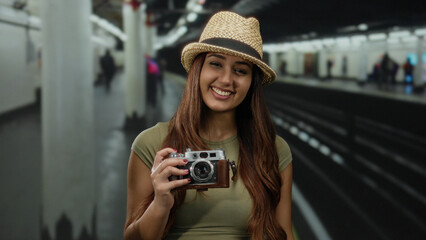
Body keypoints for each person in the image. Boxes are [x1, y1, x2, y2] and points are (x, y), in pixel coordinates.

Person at [124, 11, 294, 240]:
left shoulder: (273, 149)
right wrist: (161, 203)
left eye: (240, 70)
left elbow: (284, 233)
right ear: (198, 70)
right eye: (215, 64)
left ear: (251, 83)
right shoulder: (151, 144)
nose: (226, 80)